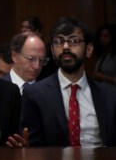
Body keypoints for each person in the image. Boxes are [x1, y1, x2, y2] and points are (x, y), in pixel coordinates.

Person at [21, 17, 116, 147]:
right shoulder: (35, 94)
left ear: (89, 50)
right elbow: (34, 147)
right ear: (53, 51)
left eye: (74, 41)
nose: (65, 47)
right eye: (59, 41)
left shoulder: (109, 95)